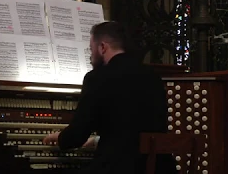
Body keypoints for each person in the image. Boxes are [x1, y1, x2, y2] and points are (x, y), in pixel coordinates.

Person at [43, 21, 176, 174]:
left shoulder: (97, 78)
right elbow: (134, 130)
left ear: (102, 47)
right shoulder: (152, 76)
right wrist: (98, 141)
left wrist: (60, 138)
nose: (91, 56)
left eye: (91, 50)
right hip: (158, 168)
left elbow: (77, 136)